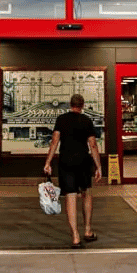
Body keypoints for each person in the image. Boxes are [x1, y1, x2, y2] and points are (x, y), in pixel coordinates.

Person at [43, 94, 103, 248]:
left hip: (66, 162)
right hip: (83, 162)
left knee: (70, 196)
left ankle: (75, 237)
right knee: (86, 193)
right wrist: (99, 166)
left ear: (70, 104)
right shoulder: (87, 121)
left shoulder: (62, 120)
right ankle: (88, 231)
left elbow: (54, 141)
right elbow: (93, 144)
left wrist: (48, 162)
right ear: (82, 105)